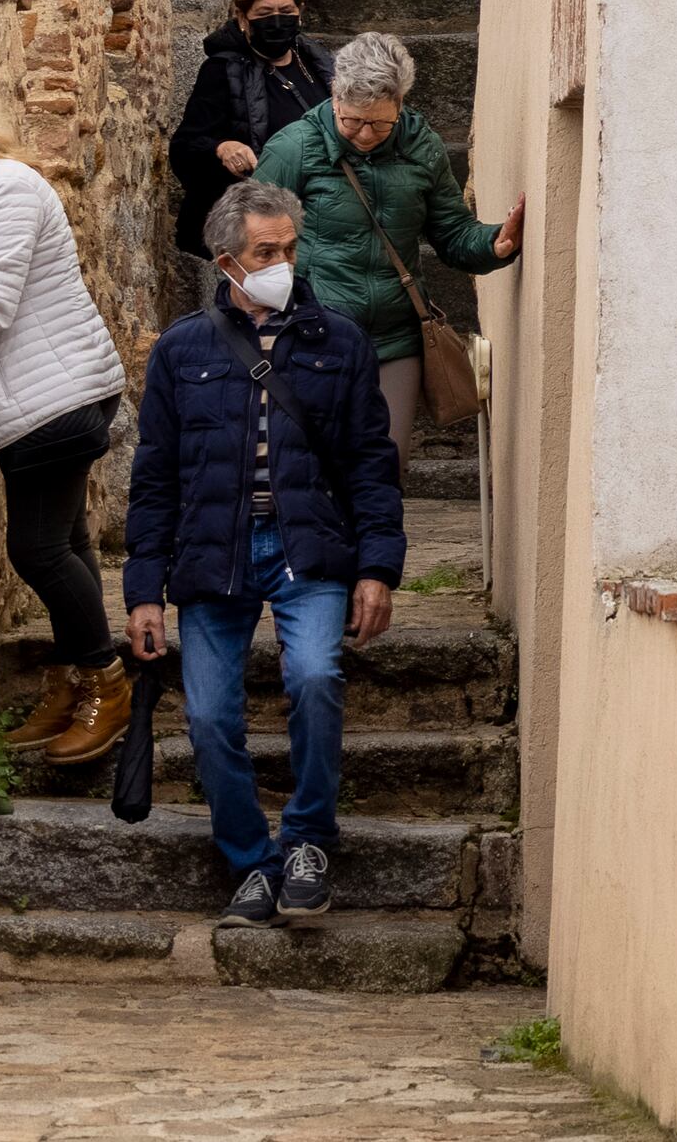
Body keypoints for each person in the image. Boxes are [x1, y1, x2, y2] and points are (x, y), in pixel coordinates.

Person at [123, 178, 404, 928]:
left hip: (306, 547)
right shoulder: (182, 350)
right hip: (212, 554)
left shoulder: (338, 341)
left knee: (315, 675)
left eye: (289, 246)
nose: (284, 261)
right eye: (265, 251)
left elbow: (371, 464)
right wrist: (143, 590)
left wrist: (377, 567)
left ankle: (308, 839)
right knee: (211, 716)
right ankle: (252, 861)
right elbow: (153, 477)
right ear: (227, 262)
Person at [0, 71, 134, 773]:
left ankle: (107, 685)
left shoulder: (6, 188)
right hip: (29, 405)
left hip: (56, 399)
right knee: (67, 540)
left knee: (37, 550)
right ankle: (70, 680)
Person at [254, 34, 513, 481]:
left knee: (386, 464)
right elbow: (250, 242)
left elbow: (451, 233)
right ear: (334, 97)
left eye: (380, 124)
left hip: (397, 337)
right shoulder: (293, 149)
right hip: (317, 333)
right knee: (316, 462)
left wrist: (495, 244)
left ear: (400, 105)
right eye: (352, 121)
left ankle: (376, 553)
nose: (365, 135)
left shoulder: (422, 148)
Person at [170, 0, 336, 263]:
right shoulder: (222, 70)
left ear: (300, 12)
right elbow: (185, 148)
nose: (276, 20)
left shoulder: (320, 65)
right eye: (264, 12)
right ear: (243, 17)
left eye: (286, 11)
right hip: (252, 237)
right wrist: (222, 147)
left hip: (315, 230)